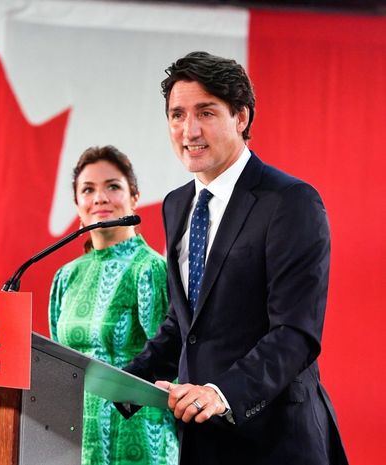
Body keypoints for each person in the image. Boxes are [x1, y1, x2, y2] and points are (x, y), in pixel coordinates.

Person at [117, 52, 348, 464]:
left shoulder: (290, 202)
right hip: (202, 441)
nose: (189, 130)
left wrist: (221, 394)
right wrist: (126, 379)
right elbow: (186, 322)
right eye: (177, 115)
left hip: (278, 443)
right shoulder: (177, 204)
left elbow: (295, 333)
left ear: (241, 117)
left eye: (206, 112)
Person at [49, 145, 178, 465]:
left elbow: (168, 367)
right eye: (88, 190)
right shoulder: (65, 277)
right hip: (76, 438)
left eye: (113, 186)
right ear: (77, 205)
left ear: (135, 196)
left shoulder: (149, 269)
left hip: (139, 440)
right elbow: (53, 360)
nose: (100, 198)